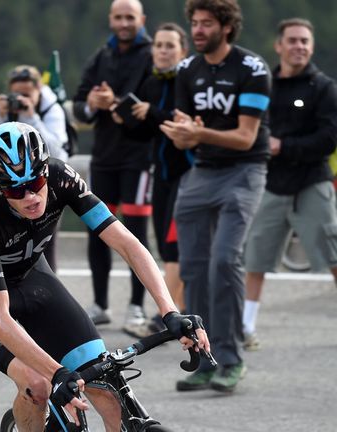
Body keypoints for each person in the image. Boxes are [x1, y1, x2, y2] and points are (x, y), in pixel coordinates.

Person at [0, 122, 210, 432]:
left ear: (45, 171)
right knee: (37, 385)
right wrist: (57, 375)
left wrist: (169, 311)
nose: (30, 197)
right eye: (15, 189)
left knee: (105, 385)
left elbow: (128, 245)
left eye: (35, 181)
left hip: (29, 273)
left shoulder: (62, 178)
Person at [161, 0, 270, 393]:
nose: (198, 30)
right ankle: (206, 360)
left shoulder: (252, 69)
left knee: (225, 261)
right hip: (202, 172)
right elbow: (186, 122)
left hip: (244, 171)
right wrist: (183, 129)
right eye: (194, 23)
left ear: (227, 27)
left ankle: (232, 358)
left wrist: (198, 133)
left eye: (207, 23)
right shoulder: (188, 69)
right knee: (192, 268)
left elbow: (245, 137)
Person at [243, 18, 337, 351]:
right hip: (270, 184)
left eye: (305, 41)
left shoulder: (323, 87)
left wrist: (285, 147)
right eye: (293, 40)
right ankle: (246, 327)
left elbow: (329, 137)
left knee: (333, 255)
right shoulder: (262, 84)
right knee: (255, 260)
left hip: (312, 183)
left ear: (311, 47)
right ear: (279, 45)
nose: (299, 46)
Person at [72, 0, 155, 337]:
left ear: (142, 20)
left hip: (139, 158)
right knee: (97, 229)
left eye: (129, 18)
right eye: (118, 17)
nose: (123, 23)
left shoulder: (152, 56)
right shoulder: (101, 56)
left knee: (134, 231)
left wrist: (114, 103)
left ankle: (137, 305)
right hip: (104, 158)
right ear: (110, 20)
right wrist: (92, 104)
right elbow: (79, 106)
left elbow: (151, 106)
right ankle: (100, 304)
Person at [113, 22, 193, 331]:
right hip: (161, 173)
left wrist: (152, 113)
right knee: (163, 242)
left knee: (174, 245)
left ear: (182, 51)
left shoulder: (188, 81)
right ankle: (181, 307)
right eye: (158, 45)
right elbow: (145, 133)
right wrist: (124, 117)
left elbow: (180, 122)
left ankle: (167, 317)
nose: (161, 51)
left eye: (169, 46)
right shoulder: (152, 83)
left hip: (187, 172)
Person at [0, 65, 69, 270]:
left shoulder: (51, 109)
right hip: (15, 184)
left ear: (39, 89)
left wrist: (31, 117)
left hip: (47, 182)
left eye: (27, 94)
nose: (21, 100)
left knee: (46, 244)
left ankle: (49, 291)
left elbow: (55, 149)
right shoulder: (6, 109)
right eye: (17, 94)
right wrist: (1, 116)